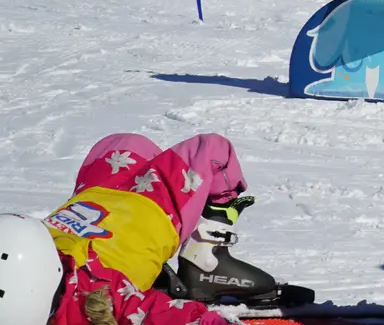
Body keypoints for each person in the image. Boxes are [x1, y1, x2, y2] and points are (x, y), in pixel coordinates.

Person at [3, 132, 292, 325]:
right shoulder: (100, 292)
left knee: (125, 143)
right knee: (208, 150)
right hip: (126, 203)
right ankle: (205, 258)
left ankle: (206, 259)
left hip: (120, 206)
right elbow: (162, 315)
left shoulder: (86, 292)